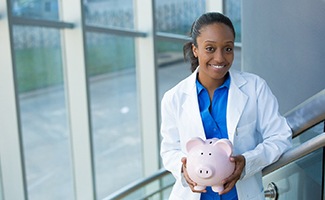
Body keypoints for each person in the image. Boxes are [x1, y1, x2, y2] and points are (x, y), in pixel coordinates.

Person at [160, 12, 292, 200]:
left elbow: (280, 136)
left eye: (227, 49)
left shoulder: (255, 87)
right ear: (195, 49)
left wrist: (247, 162)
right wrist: (184, 168)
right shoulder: (174, 98)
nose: (220, 58)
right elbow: (169, 149)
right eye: (210, 48)